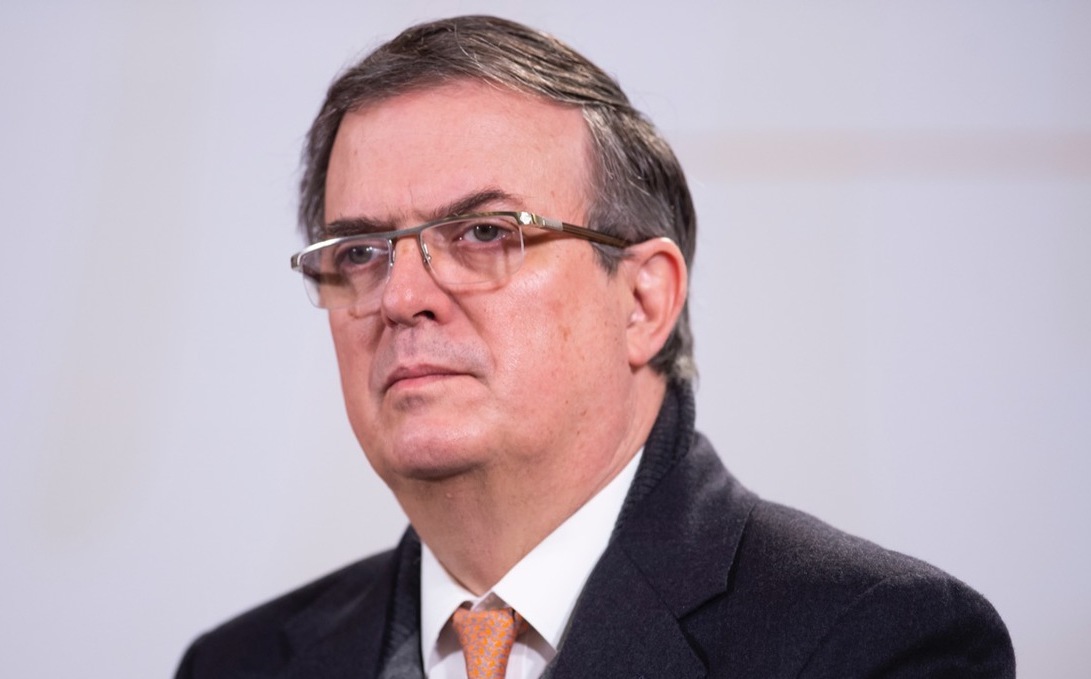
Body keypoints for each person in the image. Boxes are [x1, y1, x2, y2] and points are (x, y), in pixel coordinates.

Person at [176, 15, 1015, 679]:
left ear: (643, 301)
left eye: (483, 232)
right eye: (361, 252)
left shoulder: (874, 640)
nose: (400, 298)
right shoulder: (238, 664)